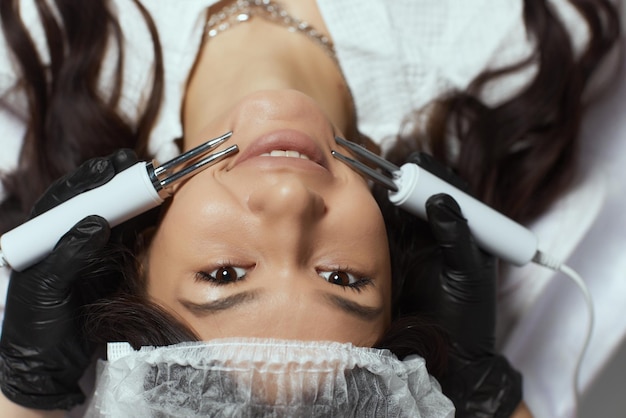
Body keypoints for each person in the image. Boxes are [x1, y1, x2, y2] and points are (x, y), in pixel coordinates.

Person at [0, 0, 620, 416]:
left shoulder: (28, 49)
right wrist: (483, 393)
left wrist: (25, 390)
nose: (293, 200)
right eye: (344, 279)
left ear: (134, 258)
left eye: (225, 275)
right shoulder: (513, 49)